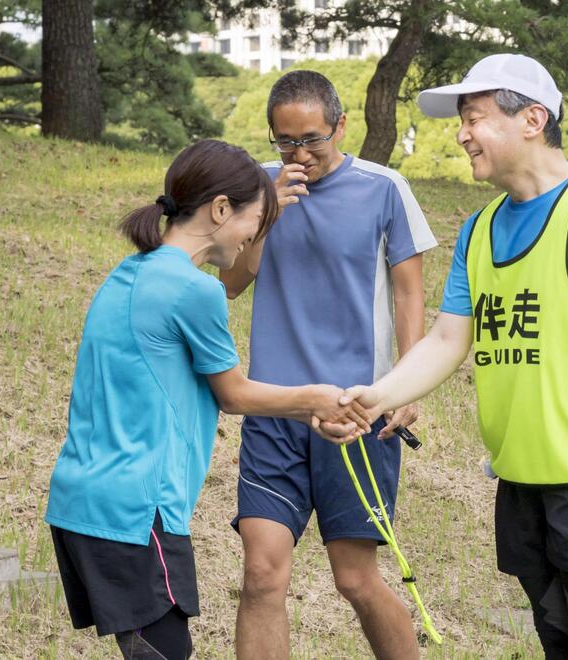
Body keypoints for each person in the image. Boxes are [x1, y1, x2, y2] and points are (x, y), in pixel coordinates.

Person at [342, 53, 568, 659]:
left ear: (532, 119)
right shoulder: (481, 227)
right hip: (522, 474)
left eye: (474, 118)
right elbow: (449, 340)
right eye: (461, 121)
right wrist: (376, 397)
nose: (463, 134)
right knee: (556, 633)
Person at [45, 139, 370, 660]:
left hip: (80, 501)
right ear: (221, 209)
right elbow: (235, 394)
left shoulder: (125, 275)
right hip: (137, 509)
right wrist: (317, 399)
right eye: (255, 221)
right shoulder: (194, 290)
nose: (253, 237)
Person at [219, 70, 436, 659]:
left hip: (357, 411)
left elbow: (409, 293)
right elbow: (232, 284)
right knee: (262, 574)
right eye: (285, 142)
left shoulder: (384, 187)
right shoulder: (258, 190)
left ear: (341, 125)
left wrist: (406, 387)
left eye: (312, 139)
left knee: (354, 579)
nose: (299, 155)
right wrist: (269, 215)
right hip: (274, 408)